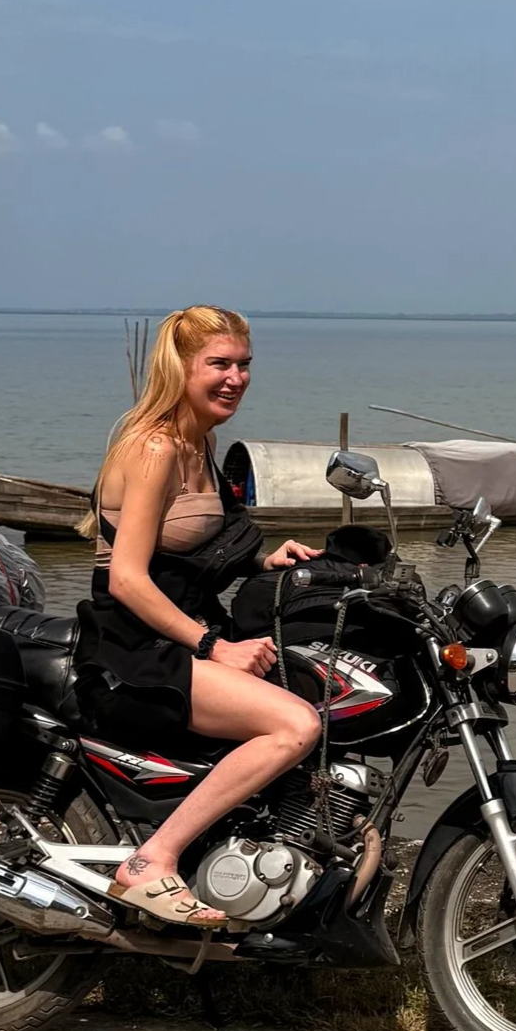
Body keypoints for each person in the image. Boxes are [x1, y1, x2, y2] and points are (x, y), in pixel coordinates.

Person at [74, 305, 321, 927]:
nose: (235, 378)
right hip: (135, 647)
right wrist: (214, 646)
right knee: (293, 726)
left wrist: (265, 561)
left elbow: (186, 550)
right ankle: (152, 861)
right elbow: (128, 579)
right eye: (219, 364)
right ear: (179, 367)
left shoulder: (201, 442)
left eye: (244, 365)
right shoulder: (154, 448)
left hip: (179, 627)